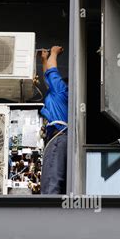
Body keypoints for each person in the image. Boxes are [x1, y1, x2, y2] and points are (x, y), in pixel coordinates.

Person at [39, 46, 68, 194]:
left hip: (57, 139)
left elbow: (52, 71)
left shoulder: (61, 88)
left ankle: (48, 215)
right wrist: (44, 60)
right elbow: (48, 77)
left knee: (50, 186)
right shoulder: (58, 95)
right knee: (54, 183)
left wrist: (54, 53)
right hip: (61, 139)